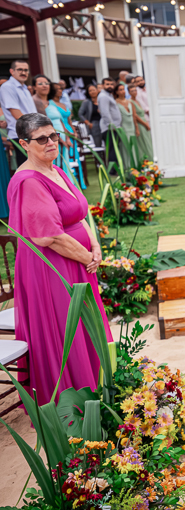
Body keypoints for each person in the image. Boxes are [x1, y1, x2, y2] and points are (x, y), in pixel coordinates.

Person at [7, 113, 113, 406]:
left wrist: (95, 245)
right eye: (42, 139)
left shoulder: (56, 170)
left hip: (77, 261)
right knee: (68, 329)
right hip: (53, 268)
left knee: (85, 325)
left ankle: (96, 388)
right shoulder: (29, 181)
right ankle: (74, 400)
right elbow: (48, 237)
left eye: (53, 136)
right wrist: (87, 257)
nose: (51, 142)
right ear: (24, 144)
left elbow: (79, 213)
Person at [46, 81, 84, 188]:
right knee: (64, 156)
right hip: (61, 131)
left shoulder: (64, 104)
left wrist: (74, 132)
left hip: (69, 131)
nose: (61, 90)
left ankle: (76, 181)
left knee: (74, 156)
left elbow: (69, 120)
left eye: (61, 88)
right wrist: (66, 134)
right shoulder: (50, 104)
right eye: (58, 89)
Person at [0, 60, 37, 168]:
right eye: (20, 69)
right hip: (20, 135)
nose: (23, 72)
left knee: (35, 167)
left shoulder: (25, 88)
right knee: (27, 169)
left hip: (32, 132)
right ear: (12, 71)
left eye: (26, 70)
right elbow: (16, 113)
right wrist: (38, 127)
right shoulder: (7, 86)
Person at [98, 77, 122, 168]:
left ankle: (116, 168)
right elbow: (105, 113)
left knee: (115, 149)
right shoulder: (103, 96)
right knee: (112, 149)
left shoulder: (109, 95)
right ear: (103, 85)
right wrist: (111, 126)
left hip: (114, 127)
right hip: (109, 128)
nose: (110, 86)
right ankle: (113, 170)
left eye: (111, 84)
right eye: (107, 84)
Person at [129, 84, 153, 162]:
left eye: (135, 90)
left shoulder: (138, 101)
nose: (134, 92)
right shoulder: (131, 102)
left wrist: (146, 123)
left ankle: (151, 158)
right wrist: (144, 124)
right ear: (129, 92)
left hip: (144, 121)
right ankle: (147, 160)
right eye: (132, 91)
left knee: (148, 141)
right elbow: (135, 115)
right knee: (144, 142)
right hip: (140, 124)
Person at [114, 83, 136, 167]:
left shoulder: (129, 102)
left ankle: (135, 165)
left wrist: (136, 128)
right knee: (126, 147)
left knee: (133, 146)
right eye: (120, 90)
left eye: (123, 89)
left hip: (132, 127)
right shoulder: (115, 103)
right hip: (123, 127)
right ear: (116, 92)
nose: (123, 91)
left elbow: (134, 115)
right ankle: (127, 166)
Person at [77, 84, 103, 149]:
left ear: (97, 90)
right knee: (98, 145)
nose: (92, 92)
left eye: (93, 90)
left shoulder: (102, 100)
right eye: (90, 91)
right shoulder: (86, 102)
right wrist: (88, 123)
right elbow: (80, 114)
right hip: (95, 125)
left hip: (104, 124)